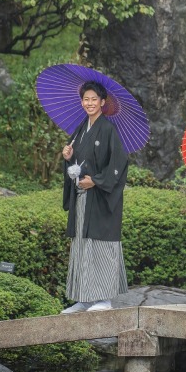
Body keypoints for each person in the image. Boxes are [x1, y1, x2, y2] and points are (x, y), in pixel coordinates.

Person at [60, 80, 129, 313]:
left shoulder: (108, 129)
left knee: (101, 245)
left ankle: (105, 299)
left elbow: (119, 163)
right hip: (83, 197)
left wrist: (97, 181)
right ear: (82, 102)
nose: (89, 103)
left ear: (102, 102)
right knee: (82, 245)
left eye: (94, 99)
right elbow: (78, 163)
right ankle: (84, 298)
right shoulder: (80, 129)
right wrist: (68, 156)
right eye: (86, 99)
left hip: (100, 198)